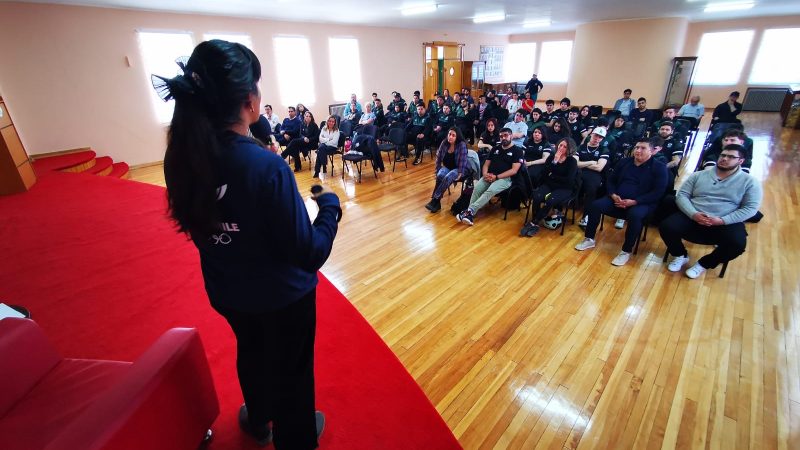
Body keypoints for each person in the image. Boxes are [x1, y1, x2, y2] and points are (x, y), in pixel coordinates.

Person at [154, 39, 335, 449]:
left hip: (228, 291)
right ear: (249, 102)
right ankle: (297, 438)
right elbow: (309, 253)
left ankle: (258, 418)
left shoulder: (177, 157)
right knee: (293, 370)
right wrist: (330, 211)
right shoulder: (263, 166)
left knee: (251, 350)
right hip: (283, 299)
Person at [659, 144, 762, 278]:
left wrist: (722, 220)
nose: (724, 159)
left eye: (731, 157)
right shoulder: (699, 175)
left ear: (740, 161)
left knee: (737, 245)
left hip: (725, 221)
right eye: (723, 155)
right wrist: (693, 214)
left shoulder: (750, 182)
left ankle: (704, 264)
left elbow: (750, 208)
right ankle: (680, 254)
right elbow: (682, 195)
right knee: (667, 226)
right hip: (694, 215)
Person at [574, 139, 668, 266]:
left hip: (641, 203)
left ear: (651, 151)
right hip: (617, 199)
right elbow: (611, 181)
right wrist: (613, 195)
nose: (638, 150)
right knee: (595, 206)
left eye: (643, 148)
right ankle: (589, 238)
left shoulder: (659, 167)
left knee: (635, 216)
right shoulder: (625, 162)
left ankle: (626, 251)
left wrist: (635, 201)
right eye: (636, 147)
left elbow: (658, 191)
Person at [456, 127, 523, 226]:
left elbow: (514, 170)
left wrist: (496, 177)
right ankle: (470, 214)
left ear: (511, 136)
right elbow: (486, 165)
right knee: (477, 188)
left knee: (490, 190)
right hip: (490, 176)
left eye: (506, 135)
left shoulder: (517, 151)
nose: (503, 138)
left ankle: (469, 211)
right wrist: (485, 174)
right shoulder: (495, 149)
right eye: (501, 136)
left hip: (505, 179)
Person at [519, 137, 578, 237]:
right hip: (549, 184)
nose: (561, 148)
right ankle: (536, 221)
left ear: (569, 149)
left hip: (564, 188)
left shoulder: (572, 161)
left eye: (565, 147)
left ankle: (534, 222)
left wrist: (553, 176)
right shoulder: (551, 158)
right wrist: (554, 162)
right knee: (536, 196)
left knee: (550, 201)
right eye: (560, 145)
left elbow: (569, 180)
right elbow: (544, 174)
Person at [425, 127, 468, 213]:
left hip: (460, 169)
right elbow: (438, 157)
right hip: (448, 167)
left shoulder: (461, 145)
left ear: (457, 137)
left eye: (453, 135)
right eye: (449, 134)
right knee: (440, 175)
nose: (450, 137)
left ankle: (435, 200)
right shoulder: (444, 143)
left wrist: (459, 173)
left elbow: (463, 161)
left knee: (448, 176)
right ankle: (436, 203)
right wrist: (437, 170)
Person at [576, 127, 611, 227]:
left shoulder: (604, 150)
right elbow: (575, 164)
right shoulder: (581, 147)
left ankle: (586, 216)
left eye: (600, 137)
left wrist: (582, 163)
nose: (597, 138)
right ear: (591, 134)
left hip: (594, 175)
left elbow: (599, 167)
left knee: (591, 189)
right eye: (596, 135)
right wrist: (591, 162)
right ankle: (560, 210)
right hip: (579, 172)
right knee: (570, 182)